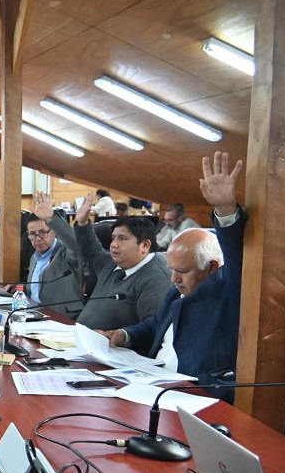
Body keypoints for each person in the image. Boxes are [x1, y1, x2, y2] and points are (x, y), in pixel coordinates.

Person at [102, 152, 245, 402]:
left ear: (212, 267)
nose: (173, 279)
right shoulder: (177, 292)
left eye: (182, 271)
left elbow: (237, 255)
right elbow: (156, 326)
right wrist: (124, 334)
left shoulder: (229, 291)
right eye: (171, 270)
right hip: (151, 385)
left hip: (193, 396)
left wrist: (224, 209)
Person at [49, 192, 171, 331]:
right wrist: (82, 222)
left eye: (122, 238)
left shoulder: (156, 279)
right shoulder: (112, 263)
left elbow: (154, 327)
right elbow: (91, 252)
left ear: (145, 246)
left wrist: (122, 336)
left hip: (115, 349)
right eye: (113, 238)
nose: (114, 244)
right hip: (81, 340)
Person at [21, 192, 84, 317]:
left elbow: (77, 243)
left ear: (54, 231)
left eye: (43, 232)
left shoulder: (68, 252)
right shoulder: (35, 257)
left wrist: (51, 218)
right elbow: (38, 287)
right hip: (35, 314)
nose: (37, 238)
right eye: (32, 234)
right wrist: (21, 287)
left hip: (63, 317)